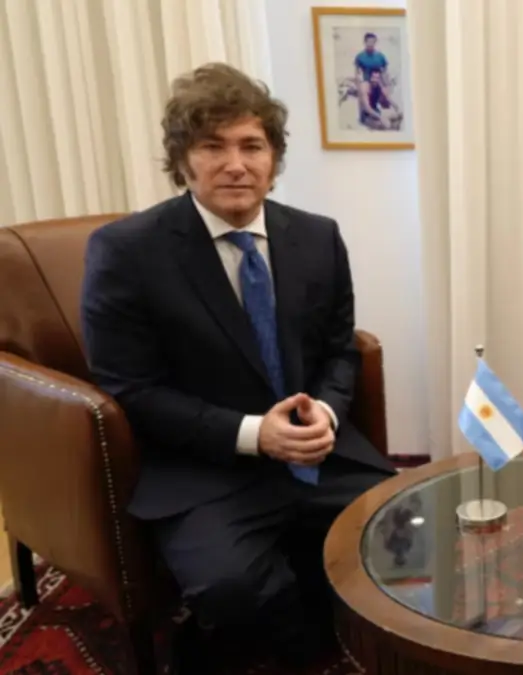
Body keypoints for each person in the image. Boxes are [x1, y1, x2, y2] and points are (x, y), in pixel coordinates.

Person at [80, 63, 396, 671]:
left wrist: (325, 412)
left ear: (273, 159)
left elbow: (340, 349)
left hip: (316, 455)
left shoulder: (318, 237)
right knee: (233, 589)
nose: (236, 164)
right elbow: (131, 389)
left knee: (407, 533)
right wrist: (255, 434)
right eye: (212, 146)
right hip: (205, 468)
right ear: (182, 160)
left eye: (252, 146)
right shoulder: (126, 252)